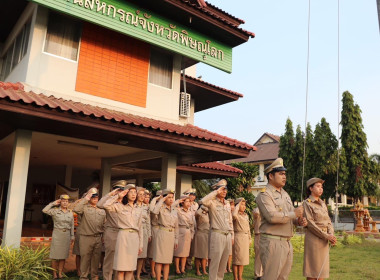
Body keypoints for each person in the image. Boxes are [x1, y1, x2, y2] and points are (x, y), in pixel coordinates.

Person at [256, 158, 307, 280]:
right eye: (281, 174)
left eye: (285, 174)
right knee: (270, 277)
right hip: (272, 242)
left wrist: (298, 221)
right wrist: (294, 214)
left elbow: (290, 216)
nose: (284, 176)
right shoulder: (264, 194)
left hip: (286, 242)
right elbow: (271, 216)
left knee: (283, 278)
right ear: (271, 176)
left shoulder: (285, 194)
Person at [102, 184, 143, 280]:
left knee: (130, 268)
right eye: (130, 192)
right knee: (121, 268)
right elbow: (105, 205)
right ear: (126, 194)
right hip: (123, 237)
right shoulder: (120, 206)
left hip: (134, 238)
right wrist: (118, 196)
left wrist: (140, 245)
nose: (133, 194)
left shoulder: (139, 209)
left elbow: (140, 228)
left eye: (135, 192)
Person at [303, 178, 336, 280]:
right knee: (313, 272)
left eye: (321, 187)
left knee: (322, 272)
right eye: (318, 186)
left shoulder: (322, 203)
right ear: (311, 188)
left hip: (324, 241)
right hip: (314, 240)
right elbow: (311, 224)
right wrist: (327, 236)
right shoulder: (307, 203)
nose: (321, 189)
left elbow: (328, 221)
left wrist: (331, 234)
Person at [200, 179, 233, 280]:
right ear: (217, 190)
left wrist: (232, 235)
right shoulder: (212, 203)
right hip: (217, 234)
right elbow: (202, 201)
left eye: (225, 189)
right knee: (215, 262)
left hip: (227, 235)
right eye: (222, 189)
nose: (224, 191)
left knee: (223, 263)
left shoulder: (227, 203)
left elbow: (230, 221)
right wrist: (215, 192)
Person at [97, 180, 128, 280]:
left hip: (123, 233)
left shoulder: (125, 204)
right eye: (118, 190)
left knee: (120, 259)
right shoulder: (110, 203)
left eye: (122, 190)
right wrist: (112, 194)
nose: (121, 192)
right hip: (112, 233)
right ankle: (107, 278)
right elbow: (100, 204)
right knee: (110, 259)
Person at [73, 188, 106, 280]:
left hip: (98, 237)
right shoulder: (84, 208)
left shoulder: (101, 210)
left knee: (96, 258)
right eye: (93, 197)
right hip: (86, 237)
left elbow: (104, 224)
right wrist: (86, 198)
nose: (95, 199)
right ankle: (83, 277)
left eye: (96, 197)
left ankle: (94, 276)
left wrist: (103, 236)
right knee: (85, 258)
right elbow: (76, 209)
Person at [43, 194, 74, 279]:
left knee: (63, 256)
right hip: (57, 234)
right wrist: (53, 203)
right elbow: (44, 210)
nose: (65, 203)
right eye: (63, 201)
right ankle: (54, 274)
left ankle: (60, 273)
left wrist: (72, 236)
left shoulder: (70, 213)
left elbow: (72, 225)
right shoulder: (55, 211)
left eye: (66, 201)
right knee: (54, 256)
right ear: (60, 202)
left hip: (66, 235)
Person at [151, 189, 179, 280]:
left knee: (167, 261)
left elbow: (176, 226)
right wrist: (161, 199)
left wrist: (176, 239)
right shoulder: (160, 207)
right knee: (159, 260)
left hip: (171, 235)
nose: (171, 199)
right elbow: (154, 211)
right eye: (169, 197)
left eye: (172, 197)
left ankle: (166, 278)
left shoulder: (174, 209)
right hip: (162, 234)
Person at [174, 195, 195, 275]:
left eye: (189, 201)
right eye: (187, 201)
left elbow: (192, 225)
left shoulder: (191, 212)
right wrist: (179, 200)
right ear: (182, 202)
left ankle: (182, 268)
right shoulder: (178, 210)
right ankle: (177, 268)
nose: (189, 203)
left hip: (188, 231)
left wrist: (192, 234)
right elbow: (173, 206)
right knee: (178, 252)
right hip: (180, 231)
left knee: (185, 252)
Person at [232, 198, 251, 280]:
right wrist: (237, 206)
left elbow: (248, 227)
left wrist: (250, 238)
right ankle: (236, 278)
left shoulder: (246, 215)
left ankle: (240, 277)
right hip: (238, 237)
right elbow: (234, 215)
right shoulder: (235, 215)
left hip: (245, 237)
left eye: (244, 205)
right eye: (241, 205)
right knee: (237, 259)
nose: (243, 207)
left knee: (242, 259)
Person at [135, 187, 151, 280]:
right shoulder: (133, 205)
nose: (142, 196)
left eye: (143, 195)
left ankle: (138, 275)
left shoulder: (146, 207)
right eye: (140, 194)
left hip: (144, 230)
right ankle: (131, 273)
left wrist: (149, 234)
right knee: (134, 254)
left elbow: (148, 221)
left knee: (142, 255)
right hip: (135, 230)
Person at [148, 190, 162, 279]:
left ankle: (158, 270)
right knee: (153, 251)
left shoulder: (163, 206)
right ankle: (152, 270)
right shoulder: (153, 206)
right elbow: (151, 210)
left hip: (161, 230)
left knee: (160, 251)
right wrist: (155, 199)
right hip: (154, 229)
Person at [183, 188, 198, 270]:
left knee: (191, 247)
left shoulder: (196, 205)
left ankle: (188, 264)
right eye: (190, 195)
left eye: (193, 195)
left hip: (193, 227)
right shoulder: (184, 204)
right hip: (185, 227)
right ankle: (182, 265)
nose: (192, 197)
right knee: (184, 247)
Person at [194, 203, 210, 276]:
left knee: (204, 254)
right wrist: (202, 207)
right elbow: (196, 213)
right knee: (198, 254)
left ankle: (204, 269)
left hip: (207, 234)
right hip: (200, 234)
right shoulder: (199, 214)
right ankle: (197, 270)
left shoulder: (209, 214)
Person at [252, 207, 263, 280]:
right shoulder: (257, 209)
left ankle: (264, 273)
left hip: (267, 234)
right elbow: (256, 214)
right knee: (259, 256)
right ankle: (258, 274)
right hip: (259, 234)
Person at [226, 198, 235, 273]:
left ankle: (229, 267)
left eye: (233, 205)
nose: (232, 207)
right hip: (225, 232)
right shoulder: (226, 212)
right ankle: (224, 267)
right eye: (231, 205)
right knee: (225, 252)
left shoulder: (234, 213)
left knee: (230, 253)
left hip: (231, 234)